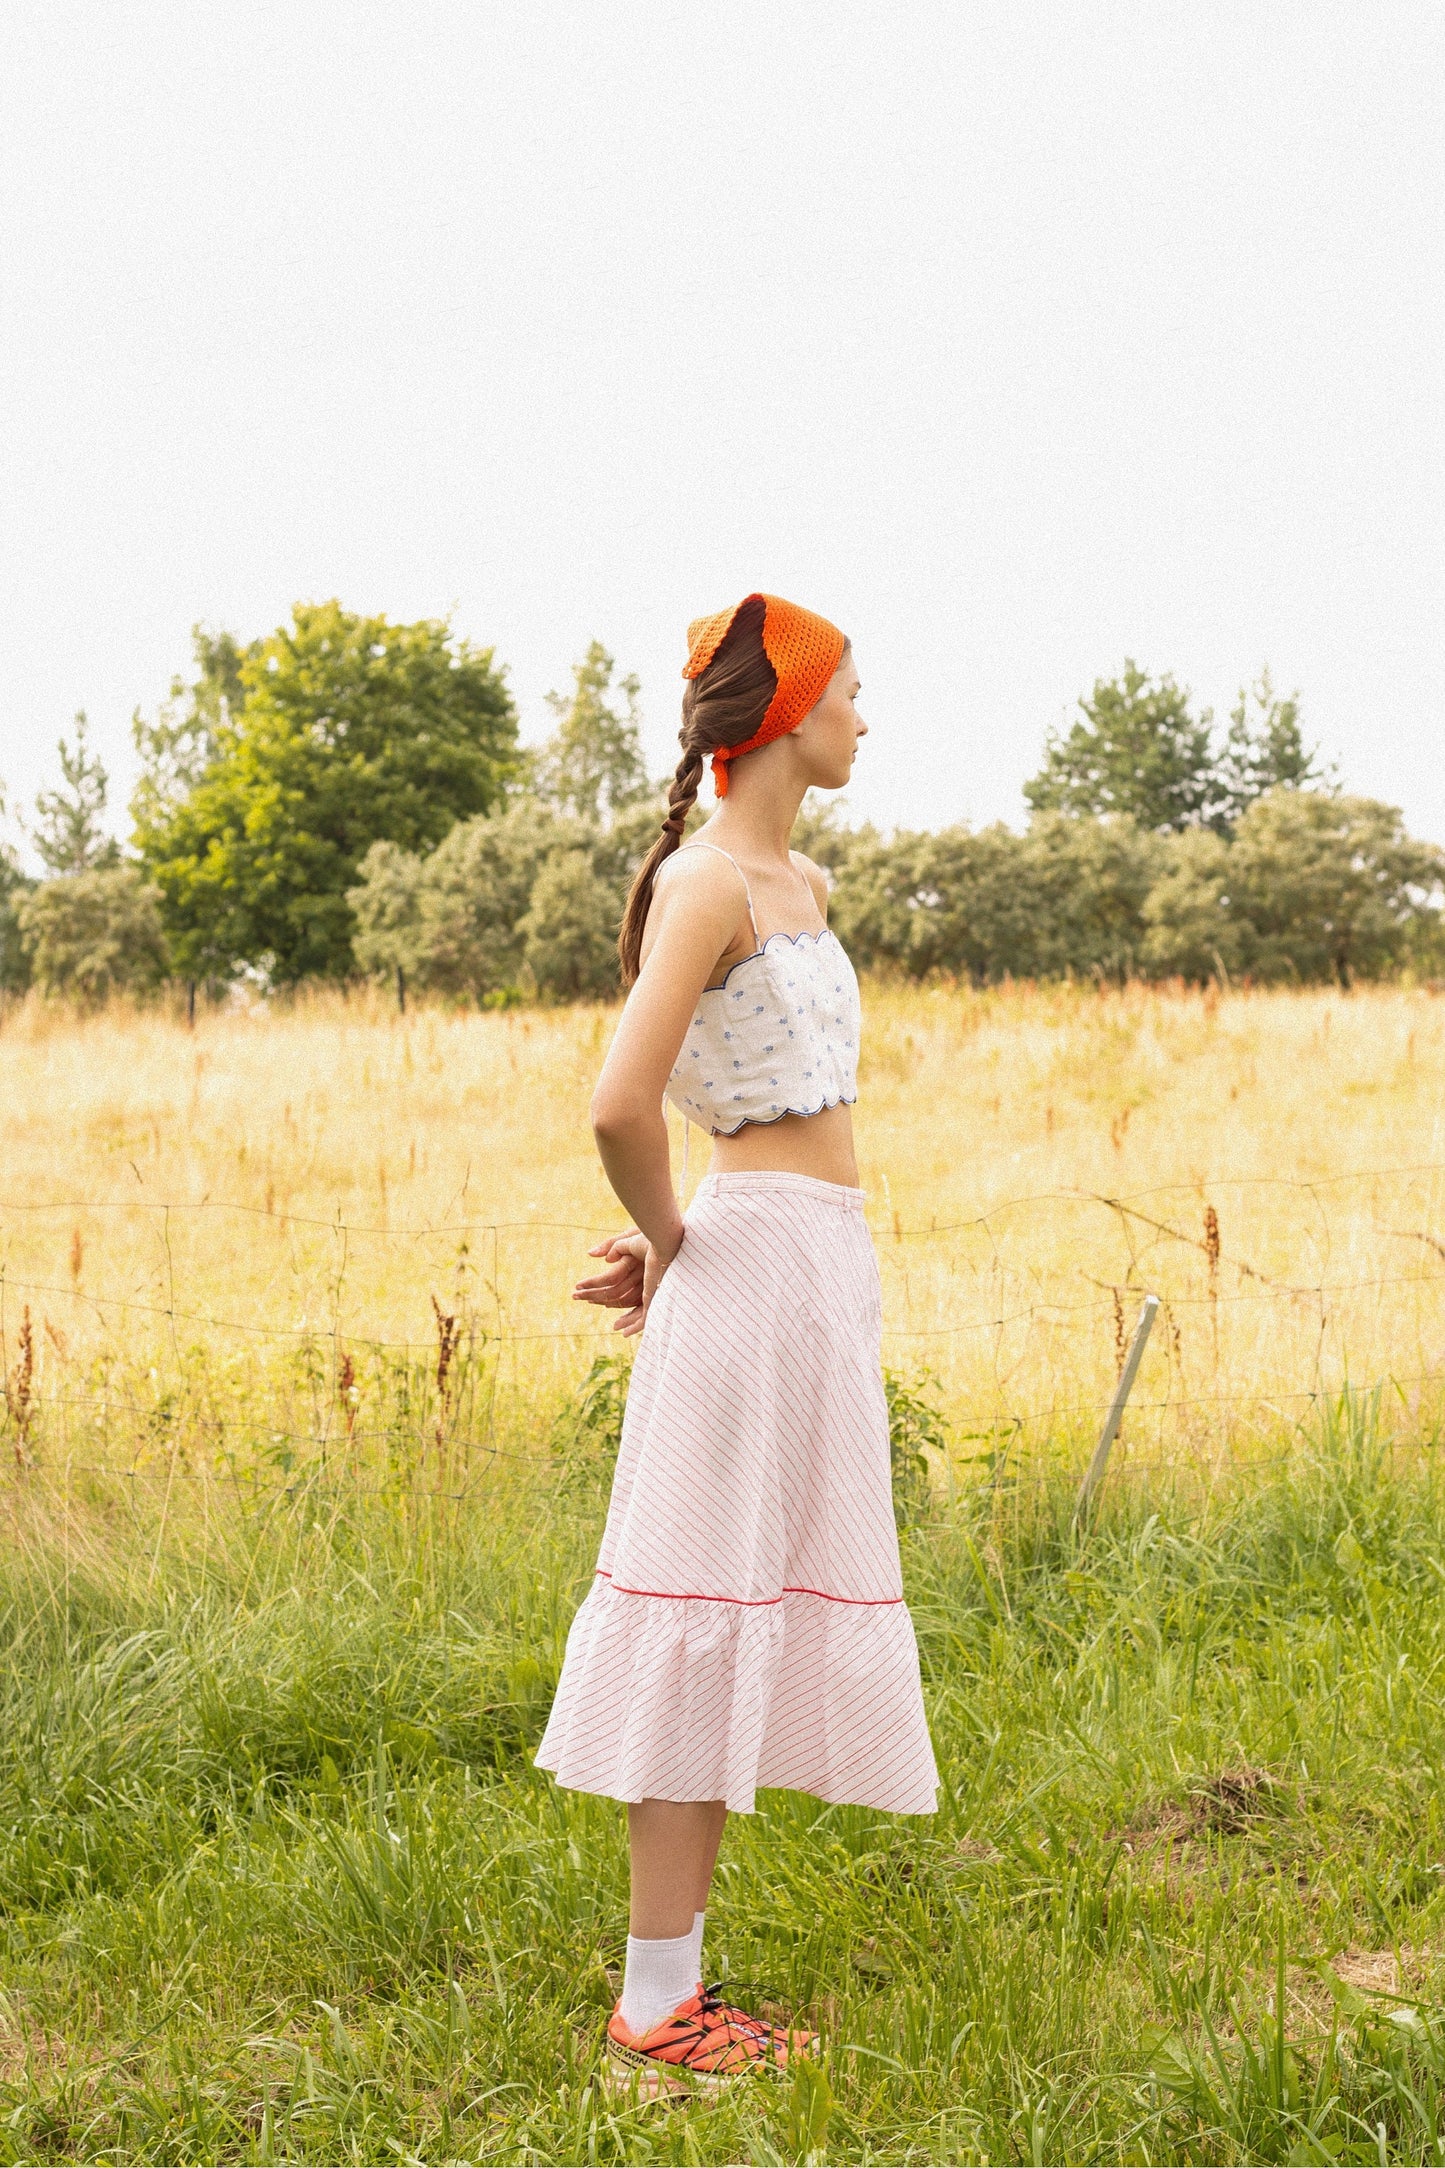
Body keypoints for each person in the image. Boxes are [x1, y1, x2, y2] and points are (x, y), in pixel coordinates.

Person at [535, 591, 938, 2097]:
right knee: (697, 1617)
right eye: (850, 692)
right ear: (783, 714)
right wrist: (674, 1237)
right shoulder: (704, 885)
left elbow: (743, 1097)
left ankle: (677, 1989)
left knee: (743, 1608)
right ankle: (658, 2006)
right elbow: (617, 1103)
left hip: (813, 1267)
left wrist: (682, 1229)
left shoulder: (803, 884)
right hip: (749, 1267)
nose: (862, 718)